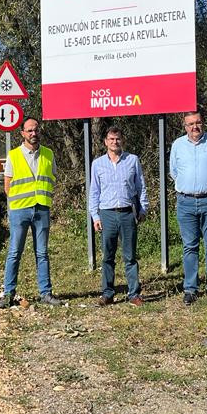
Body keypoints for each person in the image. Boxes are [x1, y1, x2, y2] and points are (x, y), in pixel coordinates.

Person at [0, 117, 62, 308]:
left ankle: (46, 293)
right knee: (14, 252)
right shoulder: (14, 155)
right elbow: (7, 186)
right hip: (20, 211)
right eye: (29, 131)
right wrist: (18, 203)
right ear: (23, 133)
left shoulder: (48, 154)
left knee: (42, 253)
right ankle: (9, 293)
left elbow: (53, 177)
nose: (34, 134)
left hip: (41, 208)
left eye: (36, 130)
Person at [169, 110, 207, 304]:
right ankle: (190, 289)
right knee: (190, 246)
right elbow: (174, 171)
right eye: (190, 124)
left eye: (198, 122)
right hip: (186, 202)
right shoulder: (177, 145)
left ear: (203, 123)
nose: (194, 127)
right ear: (184, 126)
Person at [89, 126, 149, 306]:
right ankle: (107, 293)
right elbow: (94, 192)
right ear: (105, 142)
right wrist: (95, 216)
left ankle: (133, 294)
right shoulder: (97, 164)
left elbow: (141, 186)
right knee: (108, 256)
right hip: (107, 214)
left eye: (118, 139)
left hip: (127, 213)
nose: (115, 142)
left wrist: (143, 209)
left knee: (130, 256)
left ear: (122, 140)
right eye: (111, 139)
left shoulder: (132, 160)